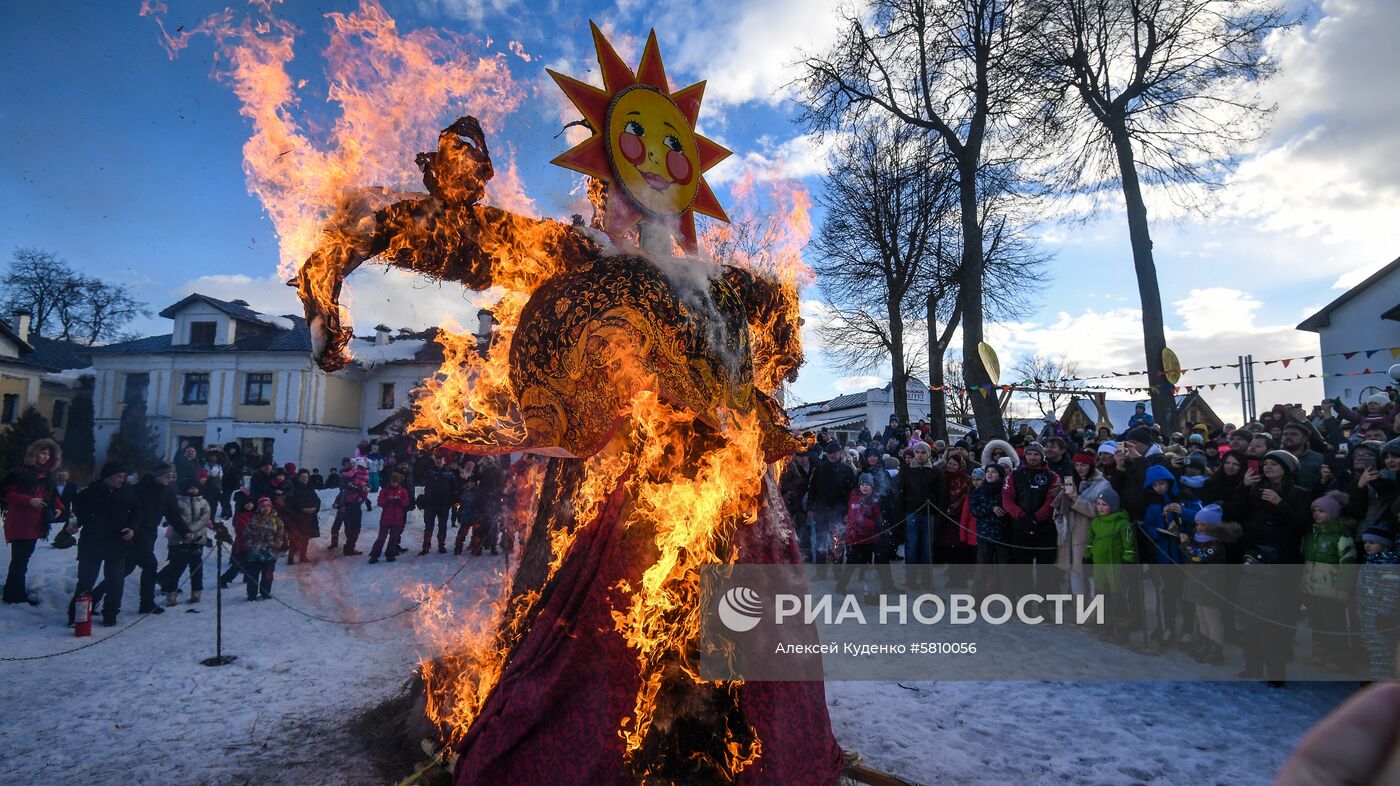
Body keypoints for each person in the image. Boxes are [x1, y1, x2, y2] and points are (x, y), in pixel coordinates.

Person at [66, 463, 139, 626]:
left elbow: (136, 513)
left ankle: (110, 614)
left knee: (115, 581)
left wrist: (132, 528)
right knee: (86, 581)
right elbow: (78, 516)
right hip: (92, 543)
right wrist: (72, 525)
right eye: (119, 476)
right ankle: (76, 615)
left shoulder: (128, 493)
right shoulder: (89, 493)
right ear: (108, 477)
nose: (122, 479)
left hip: (117, 543)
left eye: (123, 476)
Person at [1300, 492, 1358, 670]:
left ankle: (1336, 657)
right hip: (1313, 589)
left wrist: (1344, 588)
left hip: (1332, 591)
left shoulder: (1342, 537)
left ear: (1332, 513)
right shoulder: (1311, 535)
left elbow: (1348, 564)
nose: (1317, 514)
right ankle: (1319, 653)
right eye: (1315, 511)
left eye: (1322, 511)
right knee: (1317, 622)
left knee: (1334, 624)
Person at [1177, 504, 1241, 664]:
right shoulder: (1198, 540)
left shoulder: (1216, 544)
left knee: (1212, 617)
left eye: (1203, 524)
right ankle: (1205, 644)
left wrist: (1185, 545)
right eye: (1197, 524)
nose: (1199, 528)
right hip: (1199, 583)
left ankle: (1216, 649)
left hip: (1211, 585)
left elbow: (1198, 557)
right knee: (1201, 615)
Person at [2, 438, 62, 605]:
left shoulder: (46, 476)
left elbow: (52, 496)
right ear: (34, 454)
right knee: (19, 561)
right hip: (20, 523)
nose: (44, 457)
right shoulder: (19, 473)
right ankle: (14, 596)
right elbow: (6, 494)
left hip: (36, 525)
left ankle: (13, 592)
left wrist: (58, 508)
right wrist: (29, 500)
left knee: (22, 560)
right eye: (42, 453)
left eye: (48, 454)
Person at [1002, 442, 1060, 600]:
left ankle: (1043, 604)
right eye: (1029, 454)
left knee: (1045, 570)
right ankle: (1025, 602)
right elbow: (1007, 499)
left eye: (1036, 454)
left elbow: (1051, 501)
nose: (1032, 457)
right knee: (1023, 570)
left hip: (1044, 529)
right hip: (1020, 528)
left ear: (1042, 456)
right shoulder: (1014, 475)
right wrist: (1021, 516)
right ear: (1025, 456)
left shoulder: (1052, 476)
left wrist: (1036, 518)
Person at [1084, 487, 1135, 643]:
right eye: (1098, 504)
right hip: (1099, 566)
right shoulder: (1096, 522)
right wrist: (1087, 556)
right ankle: (1106, 625)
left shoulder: (1122, 523)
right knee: (1102, 595)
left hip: (1114, 566)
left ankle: (1122, 628)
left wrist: (1128, 560)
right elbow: (1090, 542)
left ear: (1112, 505)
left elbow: (1129, 544)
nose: (1101, 508)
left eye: (1104, 505)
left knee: (1117, 596)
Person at [1057, 452, 1109, 600]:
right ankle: (1078, 606)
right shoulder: (1072, 481)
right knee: (1074, 571)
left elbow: (1098, 511)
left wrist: (1076, 499)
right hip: (1071, 532)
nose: (1080, 468)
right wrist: (1062, 496)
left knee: (1090, 573)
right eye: (1077, 465)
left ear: (1091, 465)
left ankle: (1094, 606)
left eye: (1084, 465)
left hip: (1088, 533)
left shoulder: (1102, 485)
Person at [1355, 525, 1400, 681]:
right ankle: (1377, 682)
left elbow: (1391, 592)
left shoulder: (1389, 565)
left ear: (1385, 545)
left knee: (1383, 653)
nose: (1367, 545)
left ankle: (1383, 685)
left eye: (1372, 542)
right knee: (1373, 651)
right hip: (1368, 618)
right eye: (1366, 542)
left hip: (1381, 619)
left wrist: (1385, 614)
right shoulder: (1370, 562)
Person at [159, 478, 212, 607]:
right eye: (190, 488)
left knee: (197, 568)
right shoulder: (177, 502)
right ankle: (171, 594)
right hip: (179, 541)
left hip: (198, 539)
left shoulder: (204, 502)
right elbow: (176, 518)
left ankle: (196, 592)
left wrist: (191, 532)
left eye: (195, 488)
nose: (193, 490)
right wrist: (185, 532)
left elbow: (205, 518)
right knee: (176, 569)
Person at [898, 441, 942, 589]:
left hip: (929, 514)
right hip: (911, 513)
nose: (920, 455)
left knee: (927, 549)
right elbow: (900, 492)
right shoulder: (906, 470)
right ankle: (911, 580)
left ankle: (927, 581)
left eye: (923, 452)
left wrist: (939, 512)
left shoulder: (935, 471)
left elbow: (941, 494)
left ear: (928, 454)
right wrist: (901, 512)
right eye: (917, 452)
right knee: (911, 547)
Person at [808, 442, 857, 575]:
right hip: (821, 511)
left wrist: (848, 512)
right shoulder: (819, 469)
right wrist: (811, 507)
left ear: (840, 453)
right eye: (830, 453)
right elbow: (812, 490)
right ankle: (820, 572)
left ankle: (837, 572)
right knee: (820, 542)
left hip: (839, 512)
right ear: (827, 454)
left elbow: (851, 494)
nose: (833, 455)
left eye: (835, 453)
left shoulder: (847, 470)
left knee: (838, 543)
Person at [836, 474, 881, 601]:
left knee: (868, 563)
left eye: (867, 484)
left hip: (869, 537)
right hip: (856, 538)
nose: (865, 487)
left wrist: (880, 522)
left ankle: (867, 587)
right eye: (862, 484)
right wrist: (874, 524)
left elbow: (878, 513)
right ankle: (840, 587)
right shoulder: (855, 500)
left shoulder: (874, 498)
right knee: (851, 564)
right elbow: (856, 518)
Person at [969, 463, 1011, 595]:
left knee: (1005, 571)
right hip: (985, 535)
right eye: (988, 471)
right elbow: (974, 510)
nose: (990, 474)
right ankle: (977, 600)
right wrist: (990, 508)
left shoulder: (1006, 490)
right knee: (982, 570)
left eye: (994, 472)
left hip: (1003, 535)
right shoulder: (979, 491)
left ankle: (1009, 601)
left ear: (1000, 475)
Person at [243, 497, 286, 600]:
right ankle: (251, 594)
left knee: (268, 575)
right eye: (263, 506)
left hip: (270, 552)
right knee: (253, 575)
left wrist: (277, 544)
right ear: (259, 508)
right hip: (255, 554)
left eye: (268, 506)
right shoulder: (253, 520)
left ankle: (265, 592)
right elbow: (247, 535)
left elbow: (280, 535)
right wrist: (252, 546)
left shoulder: (276, 520)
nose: (265, 508)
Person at [418, 451, 458, 555]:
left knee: (442, 526)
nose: (439, 461)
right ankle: (426, 547)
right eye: (437, 459)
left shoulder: (449, 474)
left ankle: (441, 545)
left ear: (445, 461)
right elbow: (421, 466)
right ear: (434, 461)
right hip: (430, 503)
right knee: (428, 526)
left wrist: (453, 501)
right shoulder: (429, 471)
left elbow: (453, 489)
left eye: (441, 460)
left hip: (443, 504)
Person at [370, 471, 412, 563]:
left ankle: (390, 554)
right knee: (381, 538)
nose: (394, 483)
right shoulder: (384, 490)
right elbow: (380, 502)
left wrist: (399, 500)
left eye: (396, 482)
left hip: (398, 519)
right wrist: (387, 499)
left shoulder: (403, 491)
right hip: (386, 519)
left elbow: (406, 503)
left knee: (394, 538)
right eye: (393, 481)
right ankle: (374, 555)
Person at [281, 469, 321, 565]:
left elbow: (317, 500)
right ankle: (291, 557)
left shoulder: (310, 488)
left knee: (306, 538)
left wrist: (315, 508)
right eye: (302, 477)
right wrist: (301, 510)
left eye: (306, 477)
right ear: (298, 478)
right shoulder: (293, 489)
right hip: (298, 518)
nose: (304, 479)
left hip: (310, 517)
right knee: (296, 538)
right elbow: (289, 504)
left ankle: (303, 555)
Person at [779, 450, 813, 561]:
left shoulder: (791, 466)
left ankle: (801, 554)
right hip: (784, 502)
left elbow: (797, 483)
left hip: (795, 503)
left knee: (797, 529)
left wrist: (789, 493)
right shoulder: (784, 466)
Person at [220, 491, 255, 589]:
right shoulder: (240, 516)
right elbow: (243, 530)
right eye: (246, 504)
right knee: (239, 565)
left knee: (250, 562)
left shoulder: (253, 514)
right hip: (243, 544)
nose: (249, 505)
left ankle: (247, 578)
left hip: (253, 543)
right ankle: (224, 579)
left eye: (250, 503)